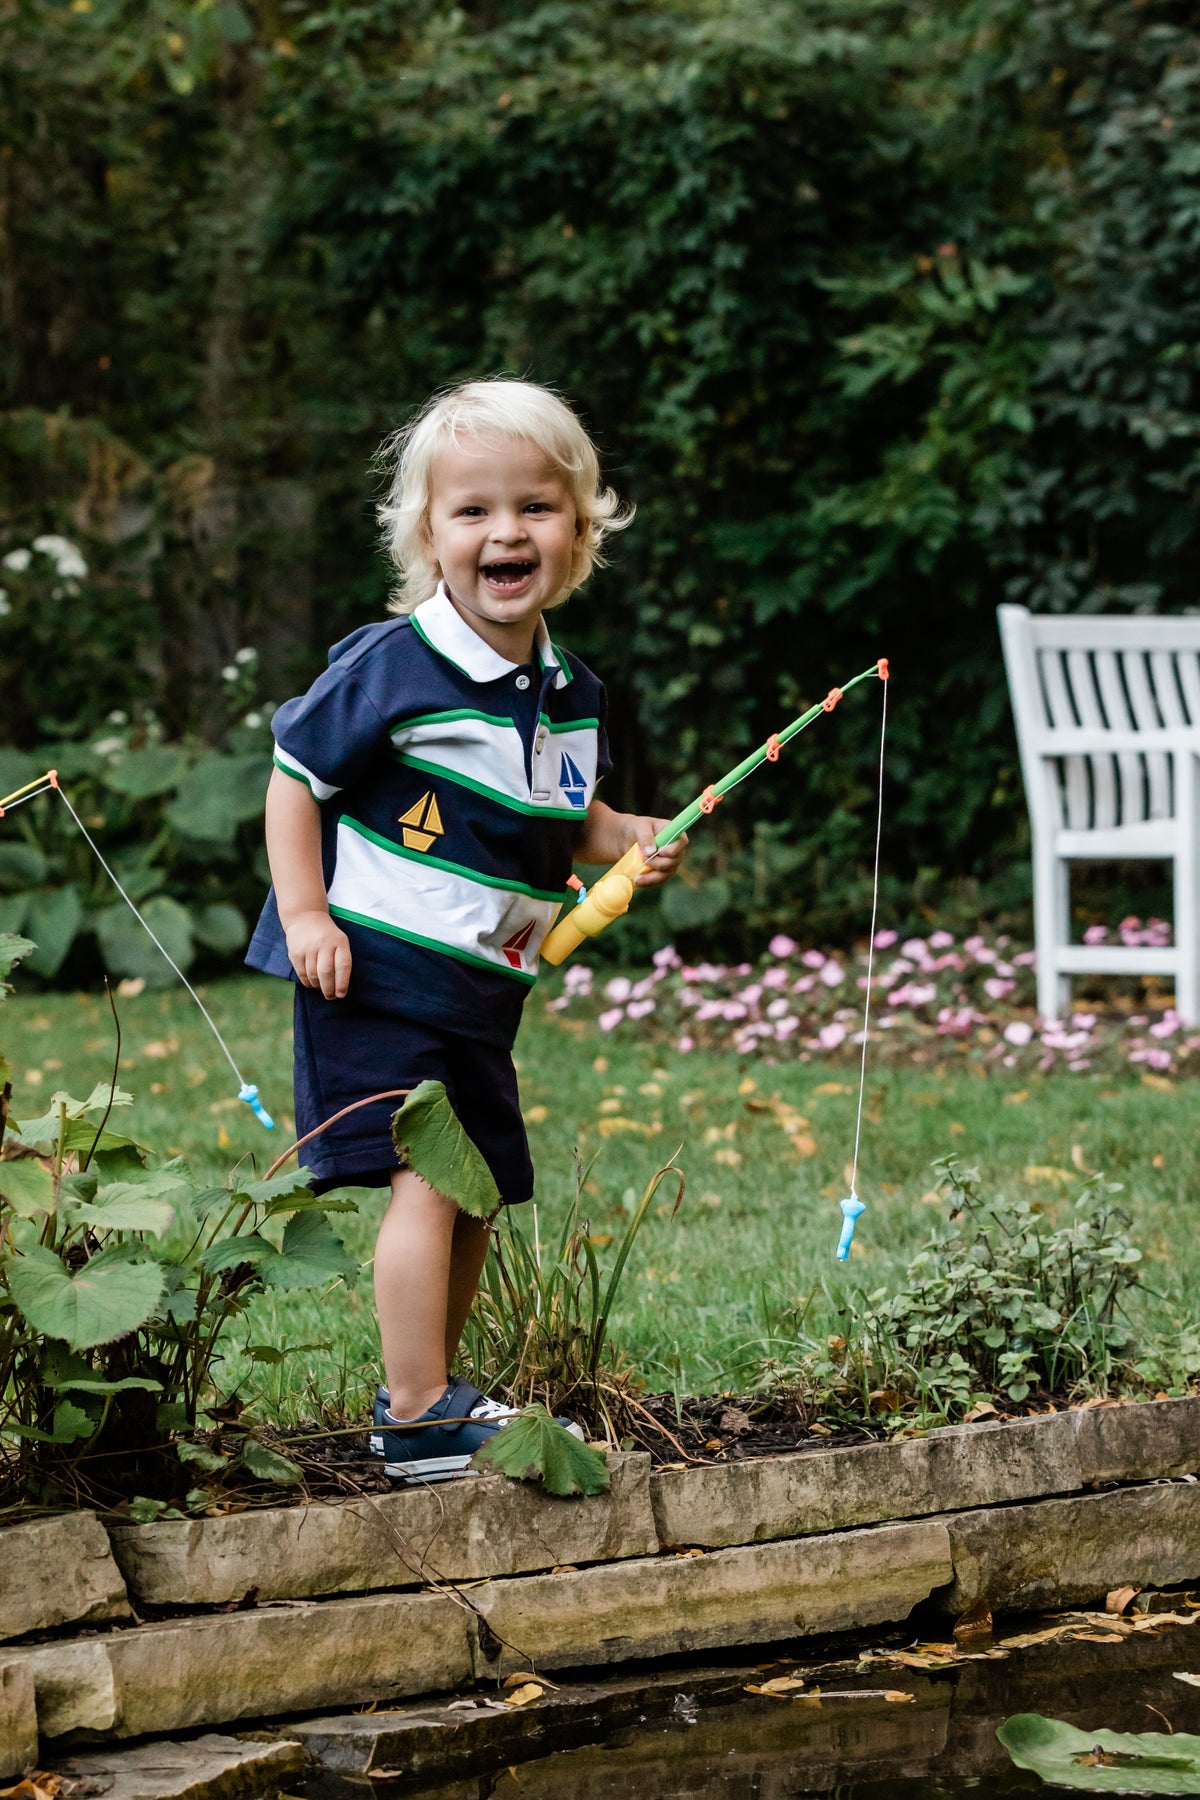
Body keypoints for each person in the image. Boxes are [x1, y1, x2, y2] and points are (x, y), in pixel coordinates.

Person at [247, 378, 687, 1481]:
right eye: (473, 510)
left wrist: (623, 832)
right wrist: (303, 913)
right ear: (428, 535)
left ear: (579, 532)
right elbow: (295, 781)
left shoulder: (566, 688)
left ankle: (434, 1400)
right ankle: (416, 1406)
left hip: (482, 987)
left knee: (481, 1188)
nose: (506, 530)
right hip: (374, 964)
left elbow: (553, 811)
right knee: (430, 1177)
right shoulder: (394, 664)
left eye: (535, 507)